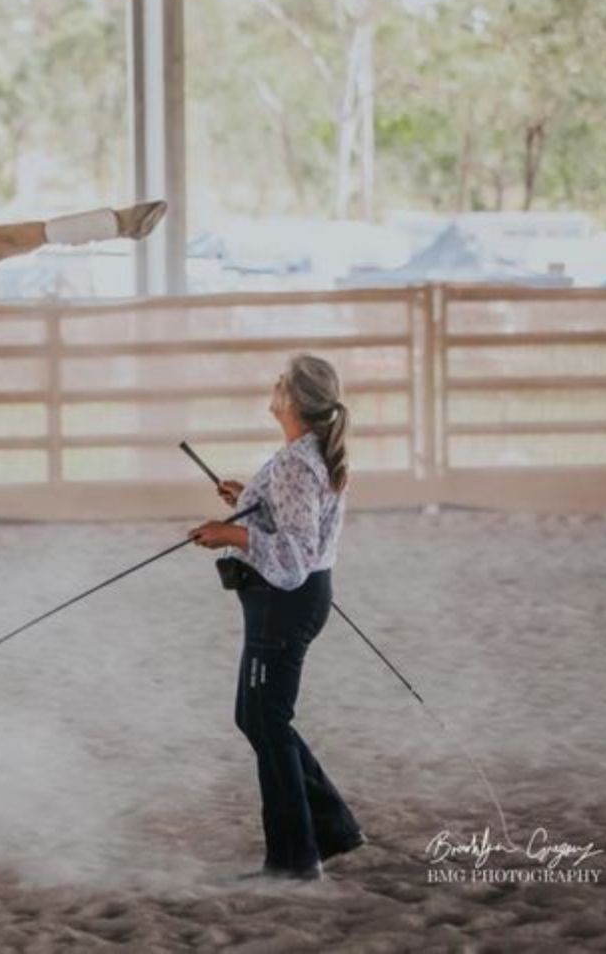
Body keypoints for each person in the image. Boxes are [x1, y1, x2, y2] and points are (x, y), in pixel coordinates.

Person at [190, 352, 364, 881]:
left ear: (294, 400)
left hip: (283, 602)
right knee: (258, 717)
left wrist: (231, 533)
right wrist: (249, 499)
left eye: (281, 382)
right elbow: (292, 521)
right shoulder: (305, 455)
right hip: (296, 600)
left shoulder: (294, 463)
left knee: (266, 720)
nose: (274, 386)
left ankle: (295, 858)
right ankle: (331, 827)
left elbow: (293, 554)